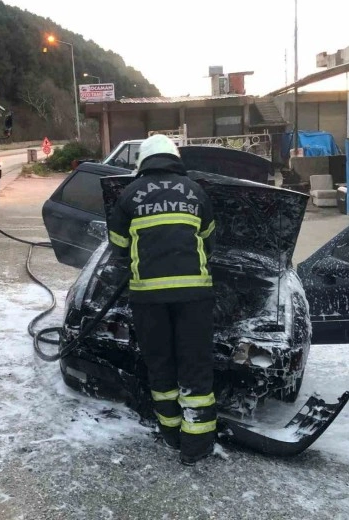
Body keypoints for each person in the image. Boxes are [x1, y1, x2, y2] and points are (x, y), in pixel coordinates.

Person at [107, 134, 217, 465]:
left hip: (148, 298)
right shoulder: (196, 191)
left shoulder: (129, 194)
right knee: (195, 365)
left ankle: (170, 432)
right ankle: (195, 446)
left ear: (143, 161)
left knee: (161, 364)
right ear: (174, 157)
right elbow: (209, 240)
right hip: (194, 295)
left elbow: (117, 245)